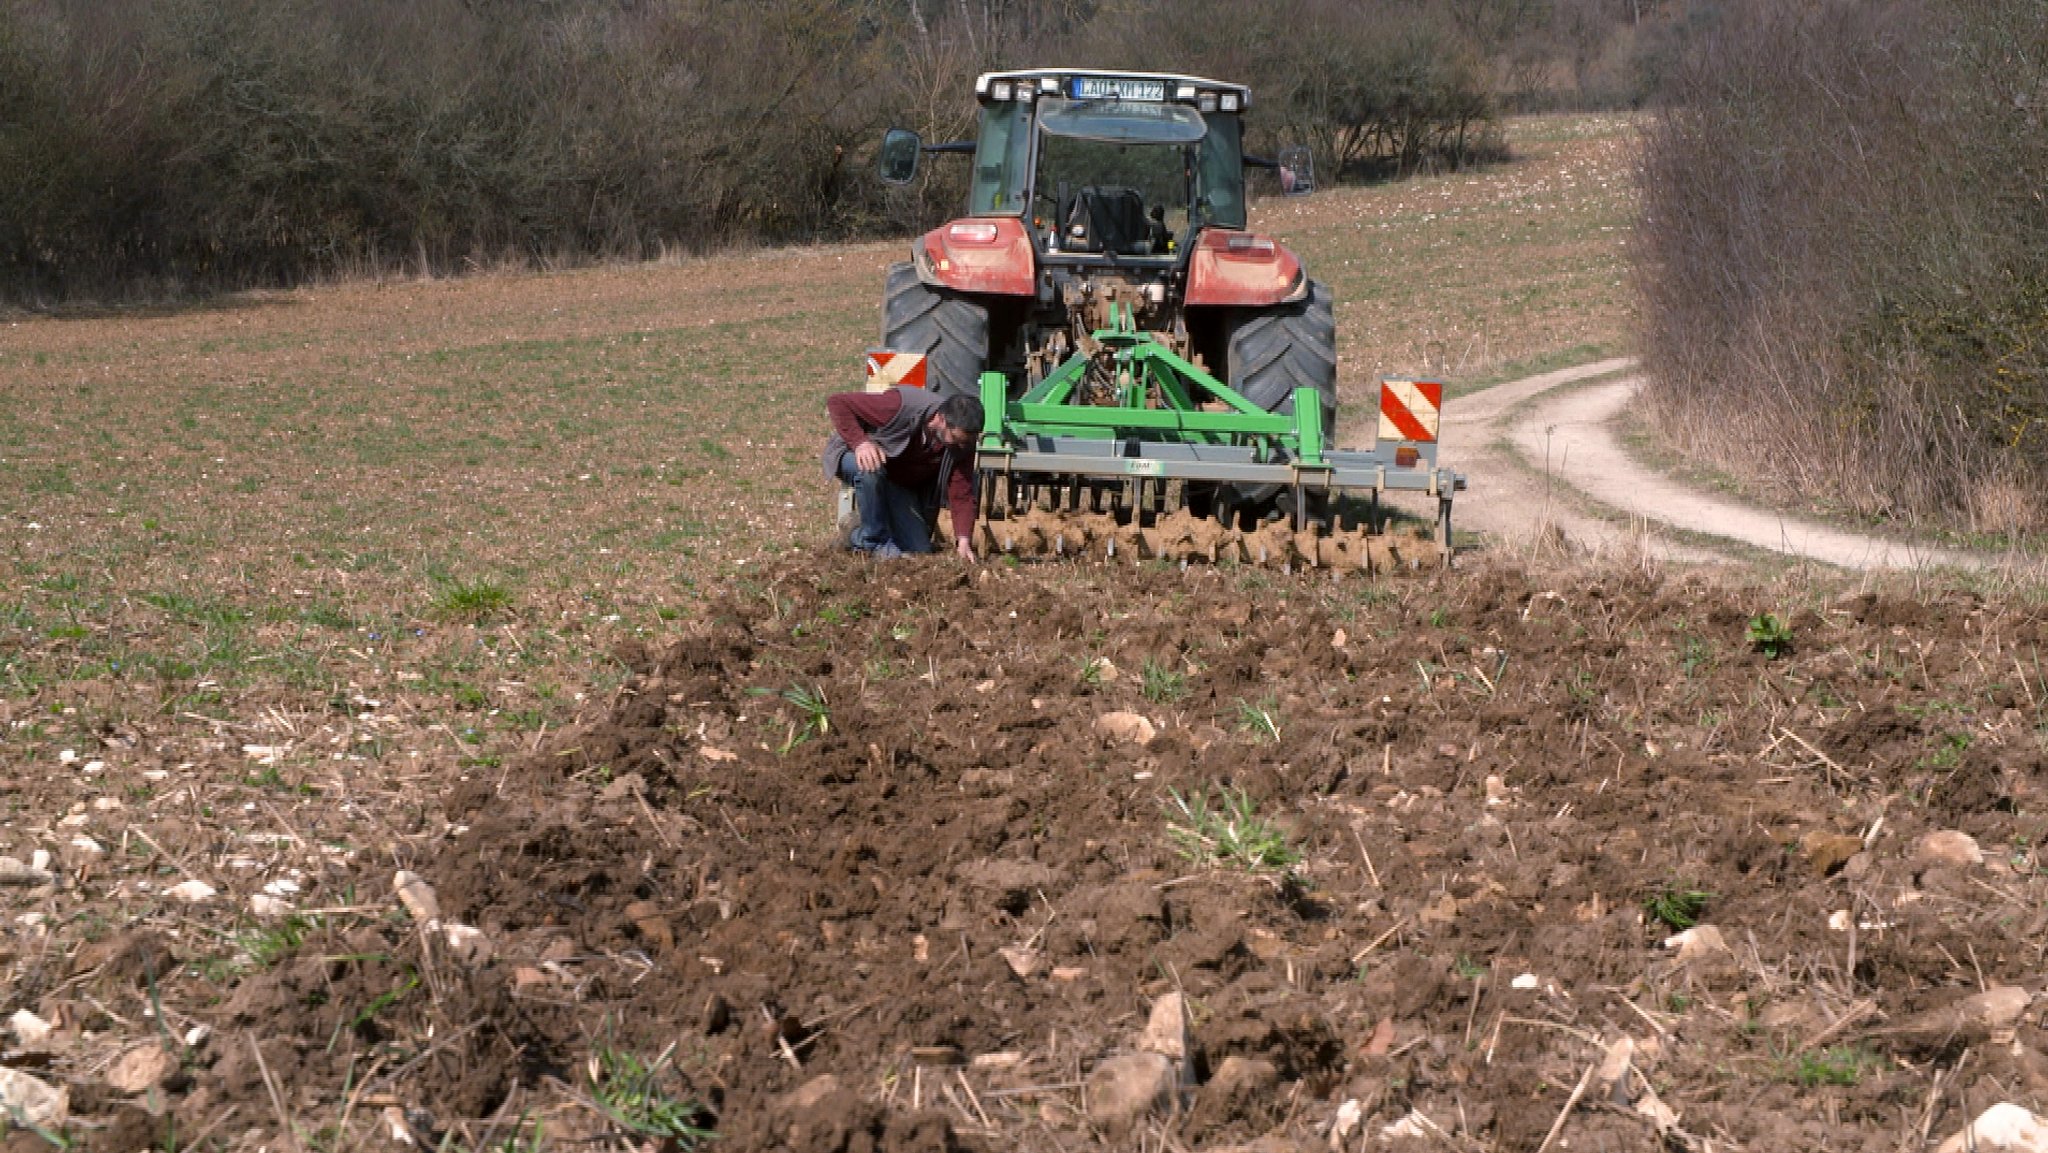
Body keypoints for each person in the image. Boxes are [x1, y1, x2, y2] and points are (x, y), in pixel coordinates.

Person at [822, 387, 984, 560]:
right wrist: (860, 443)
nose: (960, 446)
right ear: (941, 419)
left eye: (965, 442)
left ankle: (855, 533)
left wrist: (964, 540)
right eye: (956, 439)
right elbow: (838, 402)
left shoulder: (963, 444)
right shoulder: (899, 406)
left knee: (919, 550)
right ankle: (873, 543)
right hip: (854, 455)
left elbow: (962, 491)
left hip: (896, 480)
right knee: (871, 467)